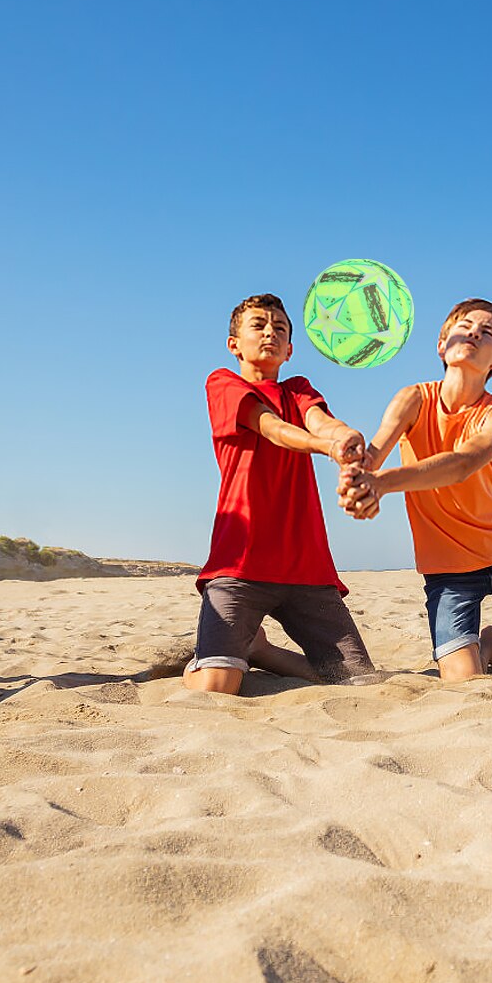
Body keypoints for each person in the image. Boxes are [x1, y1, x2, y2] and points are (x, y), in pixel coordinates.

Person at [338, 299, 492, 680]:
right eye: (465, 325)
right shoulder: (412, 399)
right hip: (446, 572)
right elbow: (373, 456)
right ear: (442, 344)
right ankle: (488, 643)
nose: (473, 331)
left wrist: (381, 484)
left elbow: (463, 464)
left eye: (487, 332)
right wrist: (355, 473)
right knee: (463, 681)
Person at [184, 293, 376, 694]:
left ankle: (261, 652)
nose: (270, 331)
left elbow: (321, 421)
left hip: (307, 569)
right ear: (234, 343)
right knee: (216, 689)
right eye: (258, 325)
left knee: (362, 683)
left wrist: (344, 437)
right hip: (239, 565)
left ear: (290, 350)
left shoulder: (298, 388)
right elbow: (271, 427)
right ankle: (218, 656)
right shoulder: (223, 382)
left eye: (280, 328)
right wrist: (326, 447)